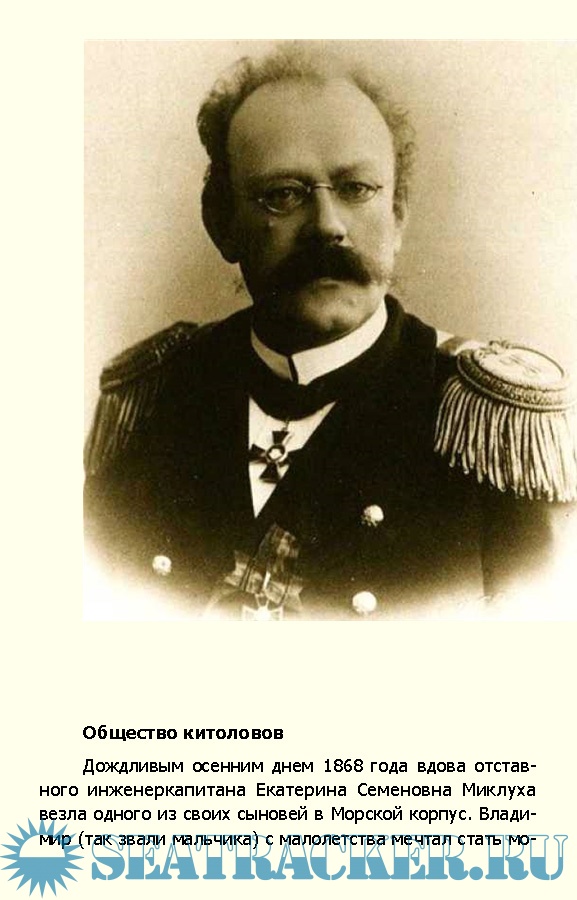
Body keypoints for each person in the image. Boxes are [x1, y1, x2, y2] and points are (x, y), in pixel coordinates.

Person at [84, 43, 576, 620]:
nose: (327, 227)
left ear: (398, 215)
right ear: (222, 224)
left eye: (357, 189)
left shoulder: (493, 430)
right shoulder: (156, 398)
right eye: (283, 195)